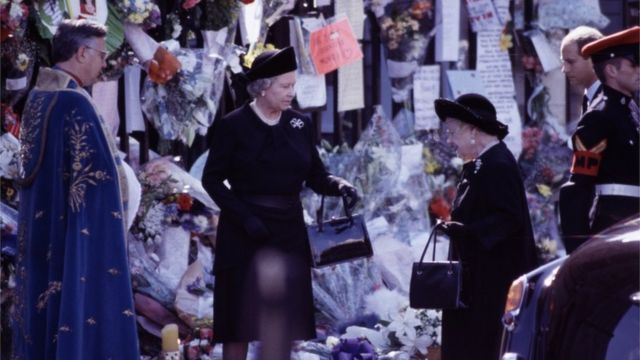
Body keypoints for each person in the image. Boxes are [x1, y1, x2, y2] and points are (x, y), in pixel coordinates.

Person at [201, 46, 359, 360]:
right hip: (245, 229)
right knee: (238, 320)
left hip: (288, 230)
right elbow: (212, 180)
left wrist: (339, 185)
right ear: (262, 88)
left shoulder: (300, 124)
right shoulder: (232, 126)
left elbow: (316, 174)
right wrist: (245, 218)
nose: (291, 93)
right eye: (284, 86)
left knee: (285, 319)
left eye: (293, 85)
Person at [11, 19, 140, 358]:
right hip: (73, 235)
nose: (104, 63)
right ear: (82, 52)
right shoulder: (75, 103)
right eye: (101, 54)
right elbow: (100, 182)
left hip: (42, 231)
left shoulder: (37, 97)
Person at [434, 93, 539, 360]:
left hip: (491, 285)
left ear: (473, 130)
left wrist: (465, 232)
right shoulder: (482, 163)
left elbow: (508, 219)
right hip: (477, 281)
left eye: (453, 132)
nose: (450, 140)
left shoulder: (498, 164)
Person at [559, 26, 640, 253]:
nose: (639, 70)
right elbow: (577, 188)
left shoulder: (631, 110)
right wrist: (578, 252)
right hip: (612, 230)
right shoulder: (599, 116)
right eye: (634, 64)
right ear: (612, 71)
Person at [560, 26, 604, 118]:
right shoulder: (593, 97)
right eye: (563, 62)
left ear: (593, 59)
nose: (565, 69)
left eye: (570, 62)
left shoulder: (606, 105)